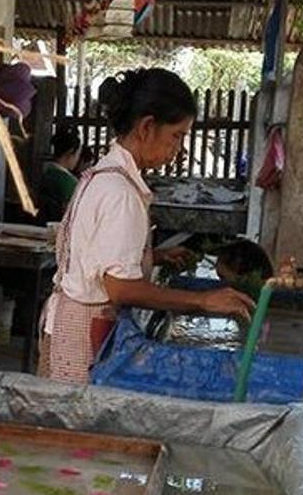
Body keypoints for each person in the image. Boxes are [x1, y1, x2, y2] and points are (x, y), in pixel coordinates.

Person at [39, 68, 256, 383]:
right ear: (147, 127)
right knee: (81, 422)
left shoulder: (102, 175)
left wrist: (159, 255)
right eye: (176, 136)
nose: (178, 148)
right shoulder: (121, 193)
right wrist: (202, 301)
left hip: (68, 321)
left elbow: (96, 255)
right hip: (84, 331)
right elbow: (121, 288)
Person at [38, 128, 82, 224]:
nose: (78, 159)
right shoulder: (70, 183)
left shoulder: (46, 174)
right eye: (78, 154)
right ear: (70, 152)